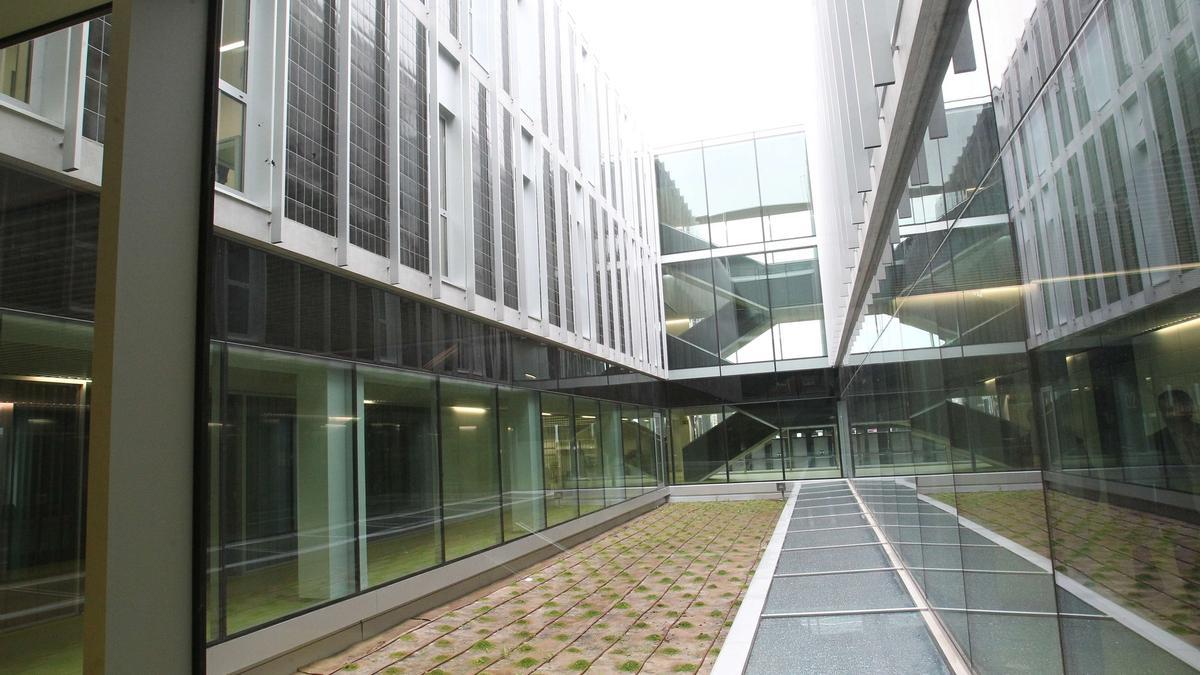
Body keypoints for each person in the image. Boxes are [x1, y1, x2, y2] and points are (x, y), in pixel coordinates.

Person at [1149, 388, 1200, 475]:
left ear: (1189, 407)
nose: (1167, 414)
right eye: (1163, 410)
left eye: (1172, 409)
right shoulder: (1155, 440)